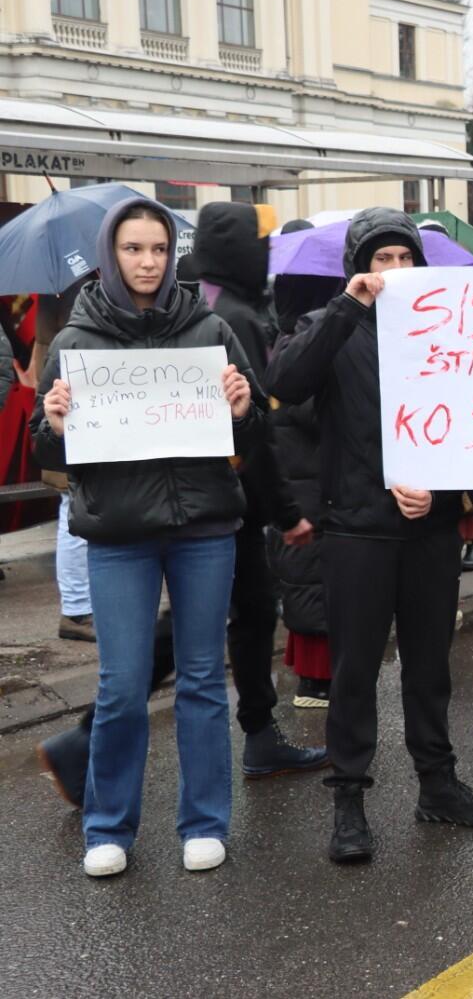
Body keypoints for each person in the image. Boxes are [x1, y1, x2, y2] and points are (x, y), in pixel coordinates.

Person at [30, 197, 264, 878]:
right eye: (133, 249)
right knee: (122, 686)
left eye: (158, 249)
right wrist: (54, 425)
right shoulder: (75, 342)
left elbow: (252, 435)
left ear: (172, 254)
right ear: (111, 254)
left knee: (202, 680)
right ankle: (108, 827)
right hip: (118, 535)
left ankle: (204, 822)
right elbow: (51, 451)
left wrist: (242, 410)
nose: (147, 262)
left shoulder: (211, 330)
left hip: (204, 529)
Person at [267, 208, 473, 865]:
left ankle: (438, 784)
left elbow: (472, 422)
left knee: (430, 667)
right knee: (353, 671)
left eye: (406, 258)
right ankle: (348, 799)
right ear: (360, 267)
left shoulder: (447, 330)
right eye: (382, 259)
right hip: (357, 529)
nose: (395, 270)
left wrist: (443, 491)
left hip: (429, 529)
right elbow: (285, 383)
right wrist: (348, 306)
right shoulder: (328, 324)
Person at [188, 202, 328, 779]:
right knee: (244, 614)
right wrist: (286, 511)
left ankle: (261, 733)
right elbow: (257, 425)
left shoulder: (205, 299)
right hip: (232, 495)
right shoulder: (237, 316)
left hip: (210, 490)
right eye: (259, 244)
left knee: (227, 614)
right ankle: (259, 734)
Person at [265, 243, 341, 709]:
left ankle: (313, 677)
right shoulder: (306, 345)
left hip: (297, 479)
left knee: (306, 577)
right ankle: (316, 682)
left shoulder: (282, 338)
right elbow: (316, 412)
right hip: (312, 480)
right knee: (316, 578)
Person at [29, 276, 97, 642]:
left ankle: (79, 606)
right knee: (72, 513)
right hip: (70, 416)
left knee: (72, 511)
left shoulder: (55, 284)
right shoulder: (74, 289)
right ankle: (76, 610)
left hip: (68, 412)